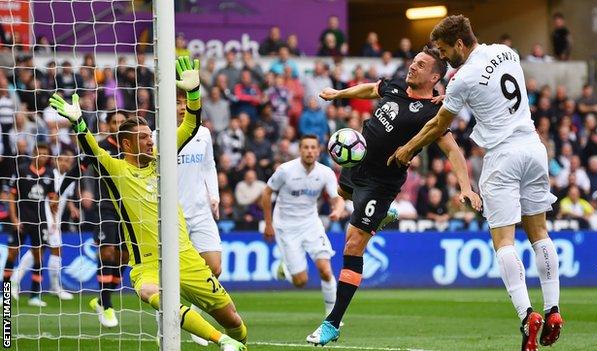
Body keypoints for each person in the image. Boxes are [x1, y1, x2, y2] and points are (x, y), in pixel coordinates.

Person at [388, 15, 564, 351]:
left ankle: (527, 315)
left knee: (504, 240)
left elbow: (438, 126)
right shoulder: (506, 51)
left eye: (444, 50)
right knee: (539, 232)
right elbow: (487, 86)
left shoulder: (461, 79)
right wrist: (453, 94)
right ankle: (553, 309)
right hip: (533, 147)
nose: (444, 57)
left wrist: (407, 149)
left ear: (459, 43)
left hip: (502, 156)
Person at [48, 56, 247, 351]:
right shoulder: (116, 171)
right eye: (143, 138)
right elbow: (90, 148)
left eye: (149, 136)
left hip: (186, 255)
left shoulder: (162, 160)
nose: (150, 141)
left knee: (232, 318)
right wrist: (79, 122)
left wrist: (193, 95)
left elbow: (191, 126)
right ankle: (221, 341)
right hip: (147, 263)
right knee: (149, 292)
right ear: (126, 145)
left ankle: (237, 339)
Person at [306, 46, 481, 346]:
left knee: (353, 244)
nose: (413, 67)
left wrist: (465, 187)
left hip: (381, 182)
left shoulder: (433, 113)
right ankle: (381, 216)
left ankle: (332, 322)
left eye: (421, 65)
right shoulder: (400, 83)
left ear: (435, 76)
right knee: (341, 191)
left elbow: (452, 150)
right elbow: (372, 89)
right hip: (357, 161)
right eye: (414, 61)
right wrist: (338, 94)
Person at [261, 134, 345, 322]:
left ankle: (332, 318)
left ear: (318, 150)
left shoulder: (325, 172)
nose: (309, 151)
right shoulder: (285, 170)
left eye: (313, 147)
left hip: (310, 223)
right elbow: (266, 193)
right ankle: (286, 268)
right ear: (300, 150)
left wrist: (338, 210)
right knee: (301, 282)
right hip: (286, 226)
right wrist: (268, 223)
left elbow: (336, 197)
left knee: (325, 269)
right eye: (306, 147)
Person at [173, 89, 223, 346]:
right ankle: (177, 317)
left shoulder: (203, 133)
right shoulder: (159, 137)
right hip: (173, 215)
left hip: (202, 210)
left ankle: (195, 317)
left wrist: (214, 195)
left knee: (214, 267)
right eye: (177, 102)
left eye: (185, 102)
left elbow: (209, 165)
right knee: (173, 274)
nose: (182, 107)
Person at [11, 148, 79, 302]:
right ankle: (52, 287)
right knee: (48, 251)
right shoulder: (51, 175)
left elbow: (64, 198)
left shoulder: (69, 179)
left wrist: (72, 207)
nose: (65, 163)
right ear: (56, 160)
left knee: (41, 252)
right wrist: (52, 223)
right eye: (62, 159)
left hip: (56, 220)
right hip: (46, 220)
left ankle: (20, 280)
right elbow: (49, 200)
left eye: (68, 161)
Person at [86, 110, 128, 327]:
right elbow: (83, 166)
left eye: (122, 121)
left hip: (129, 209)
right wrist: (83, 189)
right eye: (115, 122)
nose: (119, 125)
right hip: (105, 207)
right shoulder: (101, 146)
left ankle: (101, 300)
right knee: (108, 251)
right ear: (108, 125)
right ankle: (108, 304)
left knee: (124, 256)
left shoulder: (133, 145)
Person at [3, 143, 58, 307]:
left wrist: (53, 219)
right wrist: (14, 219)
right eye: (39, 153)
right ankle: (4, 294)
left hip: (40, 222)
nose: (42, 156)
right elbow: (11, 197)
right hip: (21, 220)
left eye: (45, 154)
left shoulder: (49, 174)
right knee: (12, 254)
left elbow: (52, 198)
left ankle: (34, 295)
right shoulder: (22, 170)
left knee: (38, 256)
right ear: (34, 153)